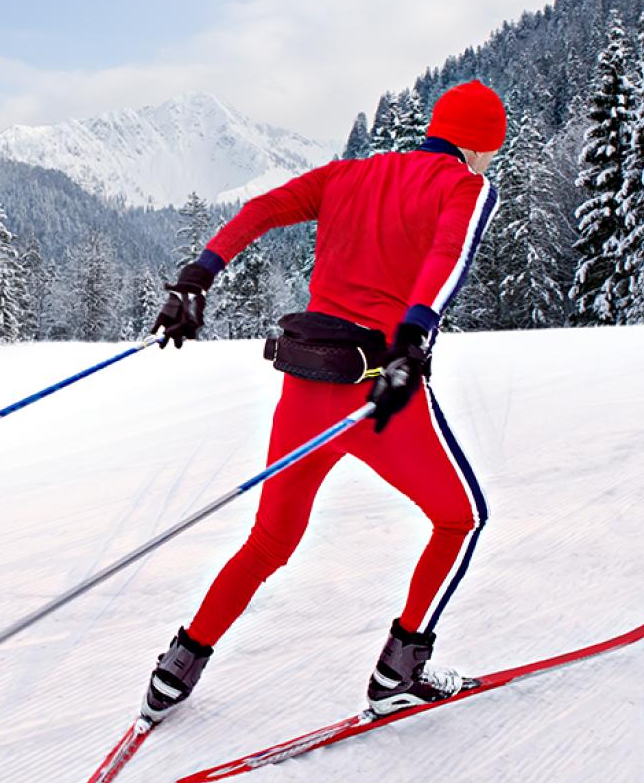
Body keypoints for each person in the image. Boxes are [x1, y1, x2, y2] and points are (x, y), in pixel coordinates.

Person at [143, 80, 505, 722]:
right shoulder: (466, 186)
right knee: (460, 517)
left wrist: (200, 274)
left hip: (305, 388)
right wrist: (414, 335)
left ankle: (179, 667)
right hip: (377, 393)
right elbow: (450, 255)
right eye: (490, 153)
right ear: (479, 147)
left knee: (269, 540)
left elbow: (262, 210)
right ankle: (401, 665)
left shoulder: (349, 175)